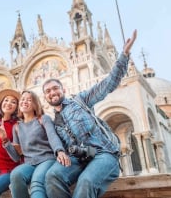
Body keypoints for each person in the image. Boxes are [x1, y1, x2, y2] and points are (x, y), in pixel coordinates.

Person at [42, 30, 137, 198]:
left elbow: (107, 85)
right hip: (78, 160)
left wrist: (124, 55)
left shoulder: (80, 100)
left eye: (55, 88)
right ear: (45, 97)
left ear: (63, 89)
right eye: (48, 91)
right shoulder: (53, 123)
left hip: (104, 154)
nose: (52, 93)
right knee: (52, 176)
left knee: (86, 181)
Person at [0, 90, 70, 198]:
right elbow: (16, 157)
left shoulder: (43, 119)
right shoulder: (17, 127)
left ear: (35, 104)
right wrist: (5, 140)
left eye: (29, 100)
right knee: (16, 174)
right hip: (29, 163)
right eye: (22, 99)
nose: (24, 101)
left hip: (46, 159)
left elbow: (52, 136)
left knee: (36, 182)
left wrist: (60, 151)